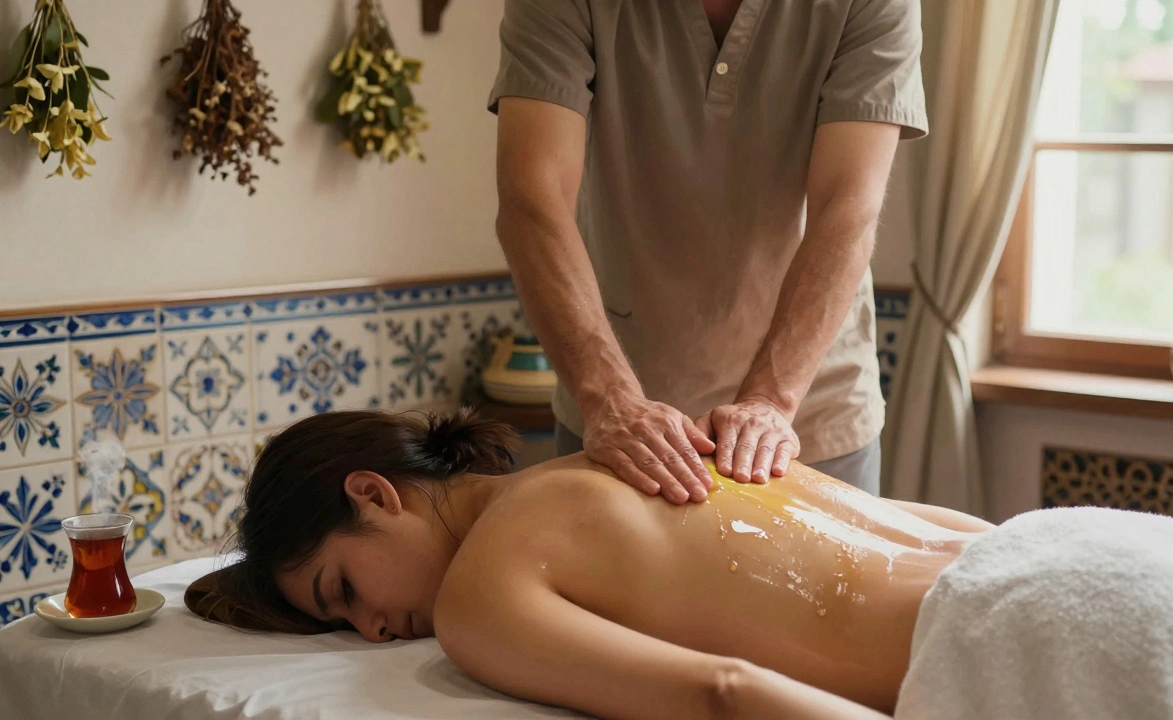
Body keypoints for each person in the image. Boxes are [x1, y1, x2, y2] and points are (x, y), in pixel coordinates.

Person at [190, 409, 993, 719]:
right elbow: (922, 524)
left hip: (990, 650)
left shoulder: (479, 594)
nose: (370, 630)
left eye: (343, 590)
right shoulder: (652, 447)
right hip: (1025, 556)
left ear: (373, 494)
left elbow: (723, 694)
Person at [487, 0, 928, 503]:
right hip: (614, 417)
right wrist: (609, 398)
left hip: (814, 412)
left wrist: (770, 401)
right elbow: (532, 197)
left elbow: (846, 207)